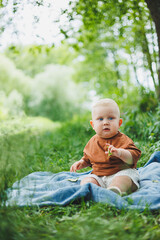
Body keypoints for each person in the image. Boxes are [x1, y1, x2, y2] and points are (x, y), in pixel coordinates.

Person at [70, 98, 141, 196]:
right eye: (100, 119)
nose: (106, 122)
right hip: (99, 176)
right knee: (88, 180)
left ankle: (115, 191)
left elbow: (134, 156)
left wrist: (120, 153)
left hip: (121, 172)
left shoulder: (123, 139)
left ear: (119, 123)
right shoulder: (92, 142)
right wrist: (82, 163)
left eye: (111, 118)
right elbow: (88, 158)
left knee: (123, 179)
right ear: (93, 124)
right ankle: (90, 190)